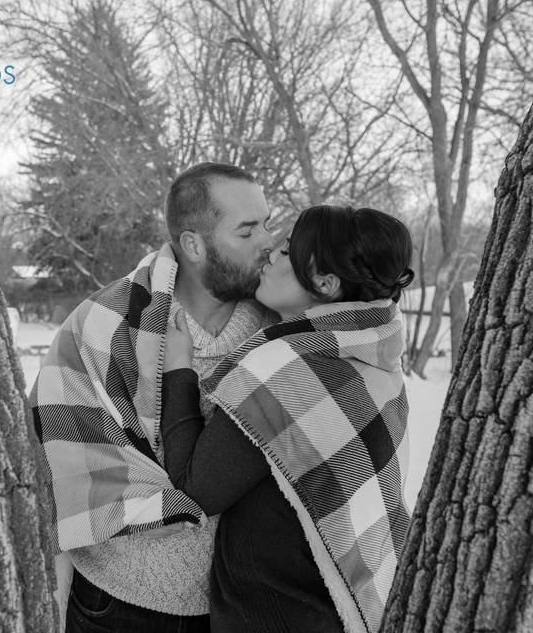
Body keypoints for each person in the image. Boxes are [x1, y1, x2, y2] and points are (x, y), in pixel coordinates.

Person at [29, 162, 277, 633]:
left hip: (238, 608)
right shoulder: (103, 323)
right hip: (118, 603)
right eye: (247, 230)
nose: (268, 241)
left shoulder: (282, 329)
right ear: (194, 245)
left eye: (267, 223)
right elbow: (59, 456)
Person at [160, 205, 415, 633]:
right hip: (334, 607)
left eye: (286, 251)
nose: (270, 256)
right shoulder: (374, 359)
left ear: (325, 283)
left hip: (276, 616)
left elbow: (194, 489)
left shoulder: (288, 370)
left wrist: (177, 370)